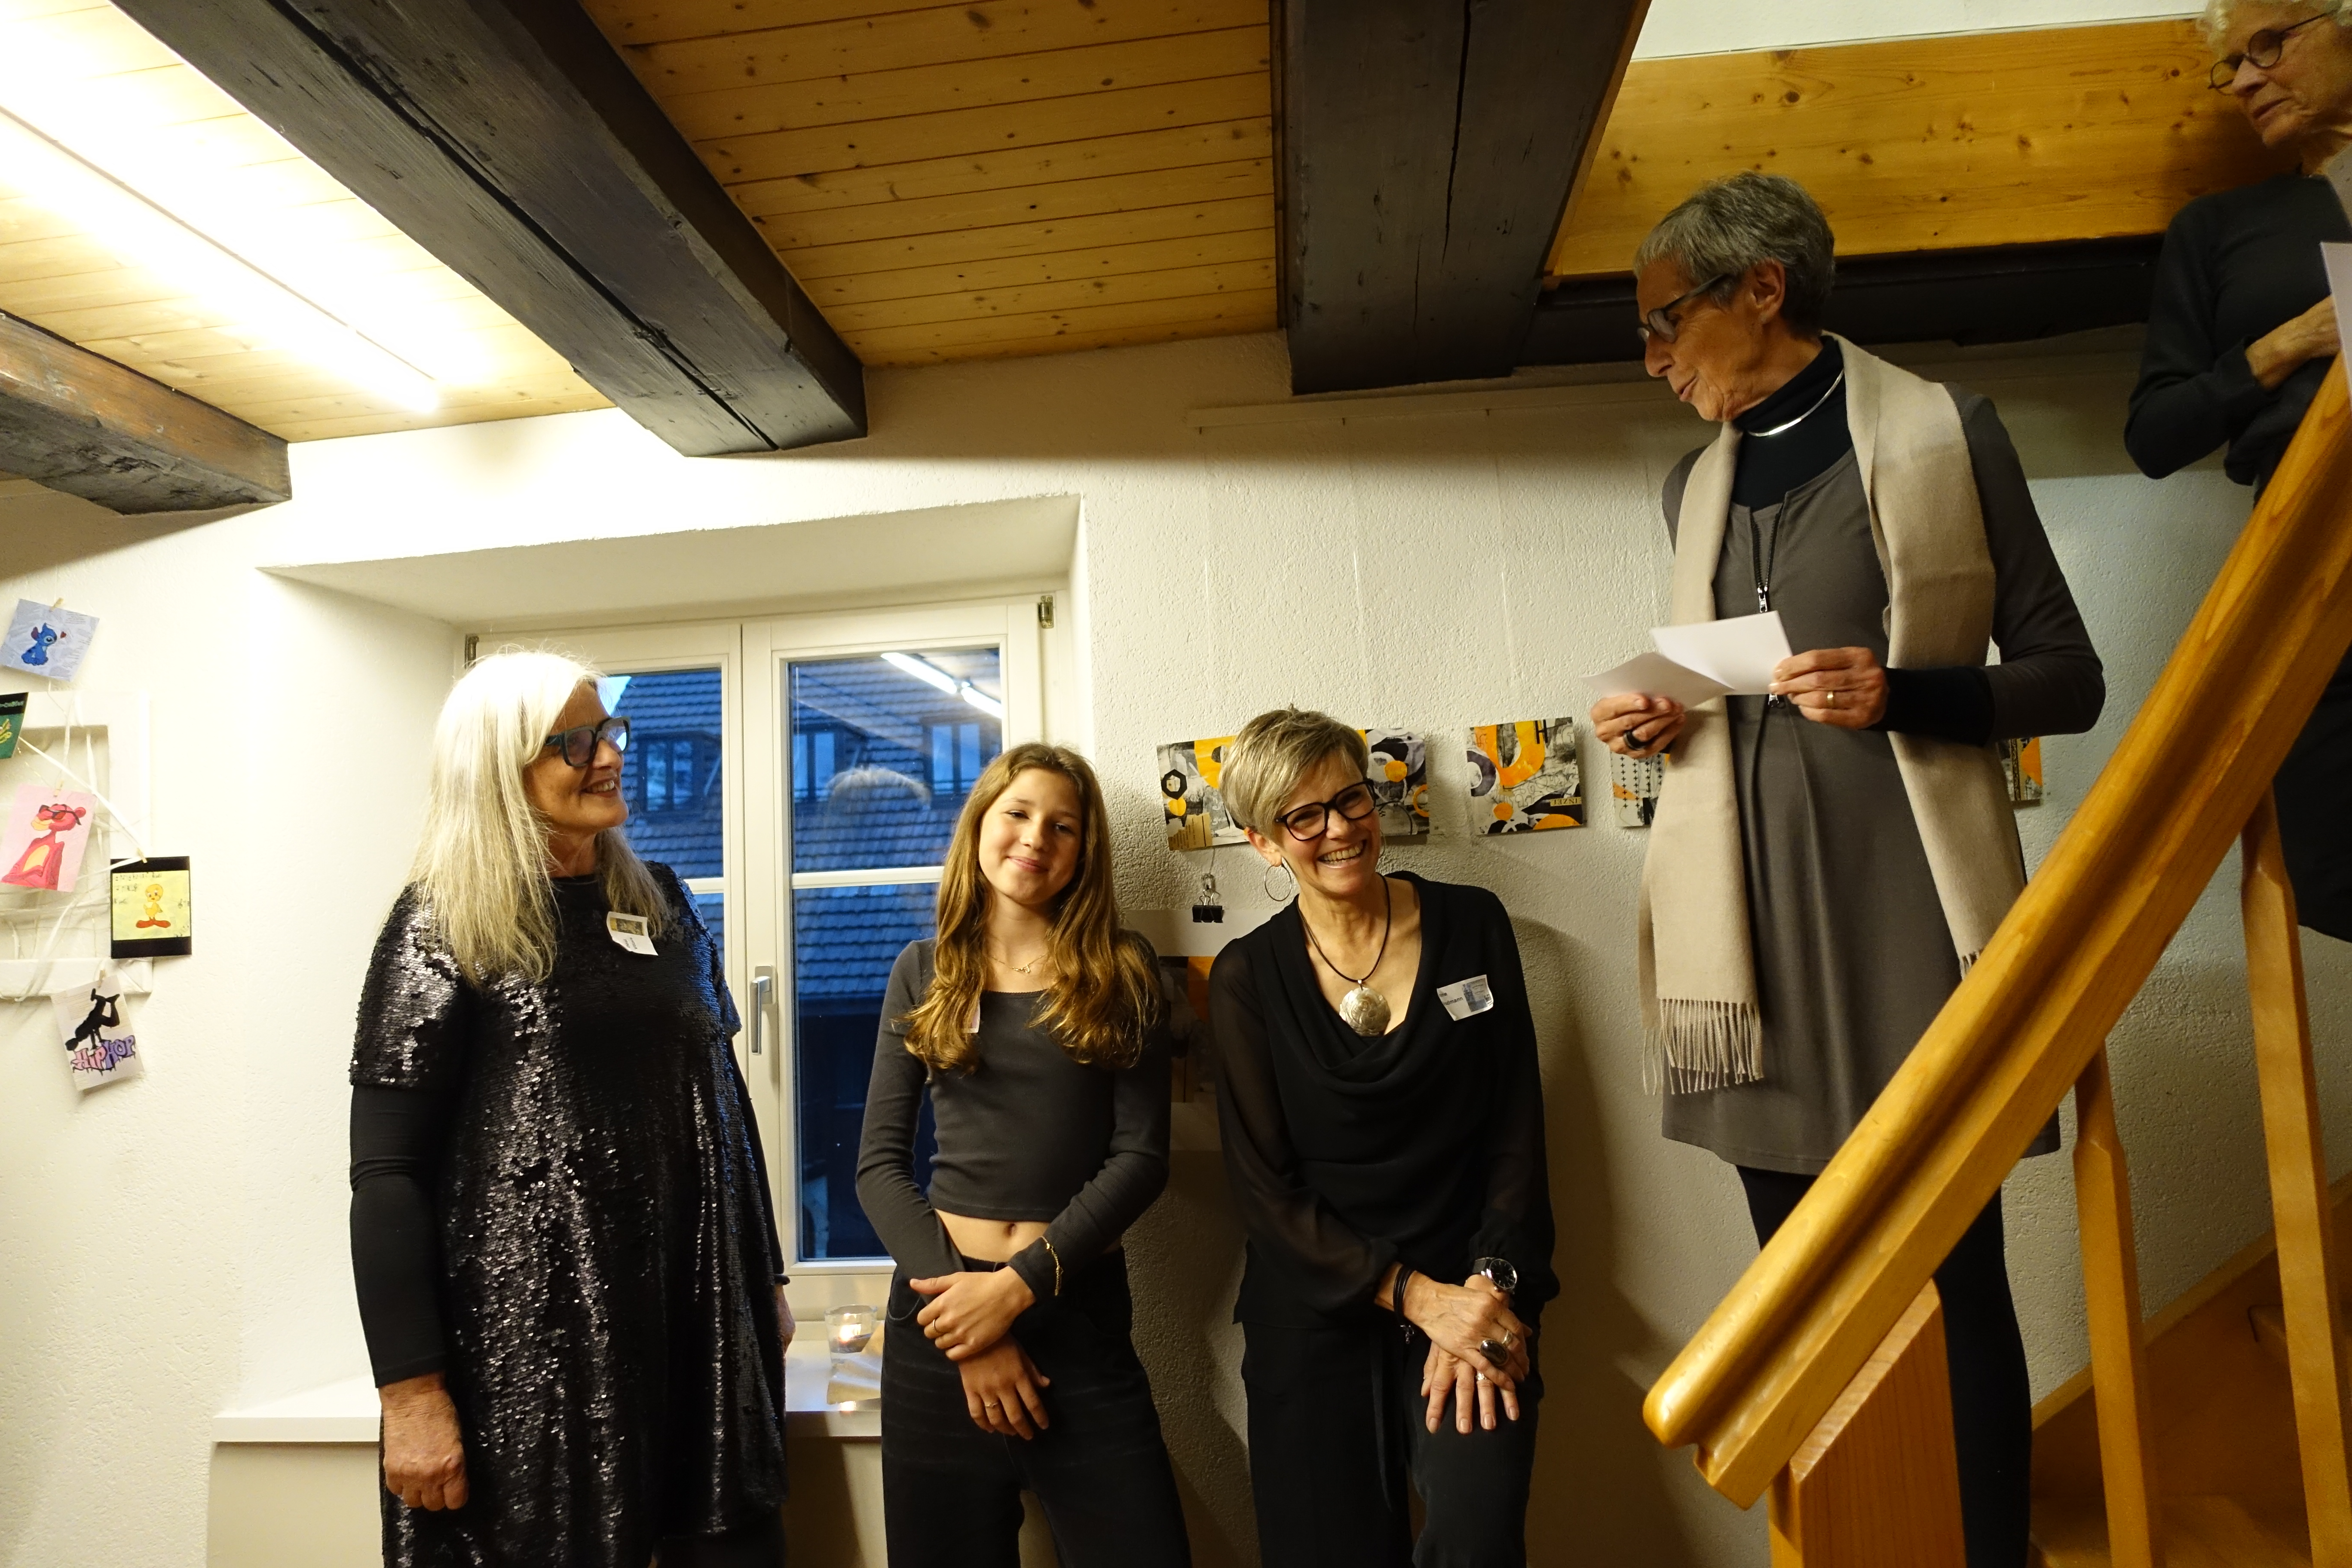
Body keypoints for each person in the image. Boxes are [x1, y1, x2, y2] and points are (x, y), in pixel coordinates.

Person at [1589, 174, 2104, 1568]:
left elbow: (2067, 676)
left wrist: (1902, 691)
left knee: (1951, 1273)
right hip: (1744, 943)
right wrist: (1663, 714)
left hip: (1906, 922)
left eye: (1665, 320)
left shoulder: (1949, 433)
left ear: (1763, 288)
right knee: (1803, 1287)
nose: (1652, 356)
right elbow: (1732, 682)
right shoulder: (1690, 485)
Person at [348, 650, 789, 1568]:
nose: (608, 756)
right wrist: (410, 1394)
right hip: (533, 1355)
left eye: (608, 731)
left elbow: (723, 1100)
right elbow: (387, 1174)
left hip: (696, 1328)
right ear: (498, 769)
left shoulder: (661, 902)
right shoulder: (442, 922)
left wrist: (768, 1282)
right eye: (574, 743)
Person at [1205, 707, 1557, 1568]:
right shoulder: (1246, 977)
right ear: (1264, 843)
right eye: (1304, 816)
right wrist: (1415, 1297)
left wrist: (1484, 1291)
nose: (1340, 829)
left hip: (1473, 1288)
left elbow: (1516, 1132)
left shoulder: (1473, 924)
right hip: (1314, 1312)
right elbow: (1268, 1196)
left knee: (1476, 1537)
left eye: (1350, 798)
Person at [855, 741, 1190, 1568]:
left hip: (1073, 1312)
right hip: (939, 1322)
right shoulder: (925, 970)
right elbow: (878, 1169)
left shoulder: (1124, 969)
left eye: (1062, 826)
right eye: (1019, 813)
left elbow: (1142, 1159)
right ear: (980, 824)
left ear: (1084, 851)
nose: (1036, 837)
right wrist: (971, 1326)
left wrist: (1014, 1292)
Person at [2128, 0, 2352, 940]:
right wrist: (2285, 346)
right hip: (2312, 567)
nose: (2246, 80)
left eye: (2268, 46)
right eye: (2233, 65)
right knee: (2333, 855)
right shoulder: (2220, 228)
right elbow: (2155, 434)